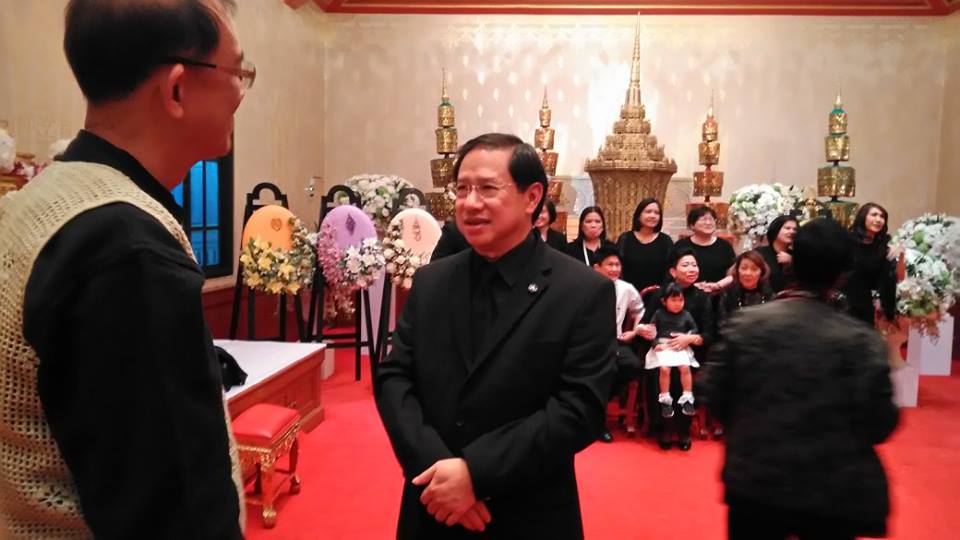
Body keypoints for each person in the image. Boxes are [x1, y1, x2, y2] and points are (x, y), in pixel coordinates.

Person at [0, 1, 249, 537]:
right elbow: (173, 514)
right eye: (237, 71)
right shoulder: (124, 249)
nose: (240, 92)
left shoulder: (46, 197)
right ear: (177, 90)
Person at [376, 133, 616, 539]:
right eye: (462, 189)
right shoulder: (432, 281)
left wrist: (476, 473)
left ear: (532, 197)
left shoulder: (582, 291)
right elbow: (395, 377)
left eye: (487, 188)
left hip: (528, 510)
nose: (470, 203)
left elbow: (579, 409)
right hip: (433, 502)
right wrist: (436, 468)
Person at [701, 218, 898, 540]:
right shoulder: (862, 341)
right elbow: (880, 422)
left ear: (793, 263)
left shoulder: (747, 324)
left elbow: (713, 392)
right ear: (843, 273)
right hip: (834, 491)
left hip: (756, 479)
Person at [637, 249, 713, 451]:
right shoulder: (660, 294)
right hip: (662, 348)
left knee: (683, 372)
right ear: (673, 271)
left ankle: (683, 428)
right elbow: (646, 323)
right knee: (662, 371)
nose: (691, 269)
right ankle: (664, 427)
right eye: (685, 265)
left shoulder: (702, 297)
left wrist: (691, 338)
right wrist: (647, 332)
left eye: (694, 265)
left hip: (691, 349)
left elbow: (708, 333)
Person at [591, 245, 644, 443]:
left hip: (616, 341)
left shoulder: (626, 288)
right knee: (600, 369)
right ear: (597, 267)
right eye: (610, 265)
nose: (615, 269)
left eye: (617, 265)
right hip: (590, 342)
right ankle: (597, 420)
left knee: (633, 365)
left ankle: (598, 405)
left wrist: (634, 331)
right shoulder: (584, 285)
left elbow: (639, 310)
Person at [644, 283, 699, 419]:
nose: (677, 304)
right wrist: (655, 344)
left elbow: (694, 329)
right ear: (664, 301)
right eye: (673, 300)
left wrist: (687, 337)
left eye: (680, 300)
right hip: (663, 345)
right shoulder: (658, 313)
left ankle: (687, 398)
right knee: (665, 369)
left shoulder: (686, 314)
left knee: (685, 367)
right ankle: (665, 401)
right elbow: (651, 331)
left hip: (679, 345)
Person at [842, 202, 897, 327]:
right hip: (843, 303)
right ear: (863, 217)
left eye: (882, 216)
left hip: (865, 305)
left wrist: (888, 311)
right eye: (874, 215)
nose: (878, 219)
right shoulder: (848, 240)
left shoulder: (883, 247)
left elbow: (889, 281)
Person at [616, 197, 674, 294]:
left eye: (657, 213)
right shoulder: (625, 239)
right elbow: (619, 268)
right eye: (648, 212)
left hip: (658, 295)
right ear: (638, 216)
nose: (653, 216)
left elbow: (669, 272)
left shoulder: (666, 241)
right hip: (628, 294)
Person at [672, 206, 736, 293]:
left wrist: (717, 285)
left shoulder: (725, 246)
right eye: (703, 220)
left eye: (711, 219)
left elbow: (733, 274)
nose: (708, 223)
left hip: (718, 294)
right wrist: (691, 286)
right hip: (686, 294)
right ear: (692, 225)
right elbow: (672, 273)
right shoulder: (681, 245)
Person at [720, 250, 775, 316]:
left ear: (762, 272)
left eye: (754, 269)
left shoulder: (769, 295)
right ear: (737, 270)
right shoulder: (728, 294)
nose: (748, 273)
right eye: (744, 268)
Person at [755, 215, 797, 293]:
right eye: (787, 228)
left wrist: (792, 261)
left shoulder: (797, 256)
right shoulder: (759, 254)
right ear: (776, 230)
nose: (792, 232)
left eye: (795, 229)